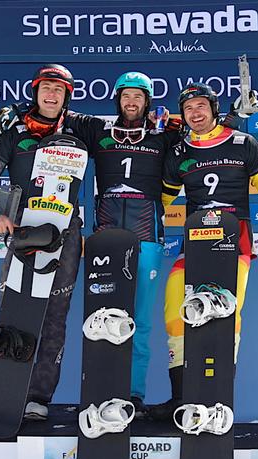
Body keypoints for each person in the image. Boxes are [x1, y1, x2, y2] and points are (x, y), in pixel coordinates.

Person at [147, 82, 258, 419]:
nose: (195, 113)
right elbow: (160, 199)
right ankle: (180, 397)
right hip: (196, 242)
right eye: (188, 109)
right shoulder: (180, 152)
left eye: (202, 106)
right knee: (175, 310)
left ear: (214, 109)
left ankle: (219, 395)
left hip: (234, 241)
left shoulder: (243, 143)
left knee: (224, 314)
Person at [61, 72, 182, 413]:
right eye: (126, 96)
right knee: (103, 316)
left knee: (140, 320)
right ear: (118, 100)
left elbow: (203, 129)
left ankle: (133, 395)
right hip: (106, 240)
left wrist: (235, 115)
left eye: (138, 97)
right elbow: (55, 110)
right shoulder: (98, 129)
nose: (132, 102)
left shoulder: (165, 132)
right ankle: (103, 389)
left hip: (147, 239)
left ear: (148, 101)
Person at [0, 63, 82, 421]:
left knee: (55, 316)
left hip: (66, 235)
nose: (51, 95)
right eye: (45, 88)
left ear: (67, 95)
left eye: (59, 90)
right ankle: (8, 387)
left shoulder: (79, 126)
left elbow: (130, 134)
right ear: (36, 92)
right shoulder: (15, 131)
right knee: (15, 307)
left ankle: (38, 396)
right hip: (23, 234)